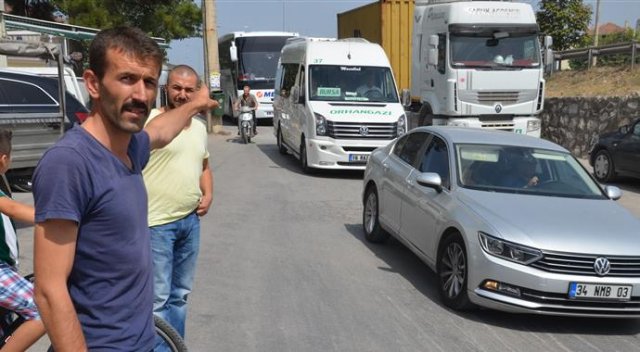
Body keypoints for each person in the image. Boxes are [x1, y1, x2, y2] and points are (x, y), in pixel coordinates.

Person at [32, 26, 218, 351]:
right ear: (93, 83)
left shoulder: (131, 148)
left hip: (143, 339)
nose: (141, 95)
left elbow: (160, 130)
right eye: (127, 79)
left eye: (149, 82)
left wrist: (194, 105)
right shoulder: (70, 162)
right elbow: (49, 289)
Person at [142, 65, 213, 346]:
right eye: (176, 88)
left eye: (188, 89)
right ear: (166, 88)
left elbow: (203, 164)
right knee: (157, 299)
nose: (182, 94)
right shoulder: (149, 122)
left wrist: (208, 193)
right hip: (155, 224)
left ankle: (175, 345)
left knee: (180, 295)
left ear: (196, 91)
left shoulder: (198, 127)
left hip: (189, 222)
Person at [0, 129, 46, 352]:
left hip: (6, 268)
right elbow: (13, 208)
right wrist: (58, 219)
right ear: (4, 160)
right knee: (44, 308)